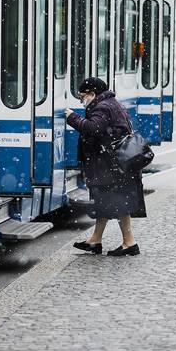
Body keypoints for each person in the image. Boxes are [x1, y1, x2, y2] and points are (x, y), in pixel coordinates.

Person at [65, 77, 146, 256]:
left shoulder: (102, 107)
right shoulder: (111, 103)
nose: (82, 100)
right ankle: (95, 240)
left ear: (92, 94)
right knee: (105, 202)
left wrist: (72, 118)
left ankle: (129, 243)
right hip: (114, 164)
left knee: (117, 202)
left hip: (109, 165)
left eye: (83, 96)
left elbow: (93, 128)